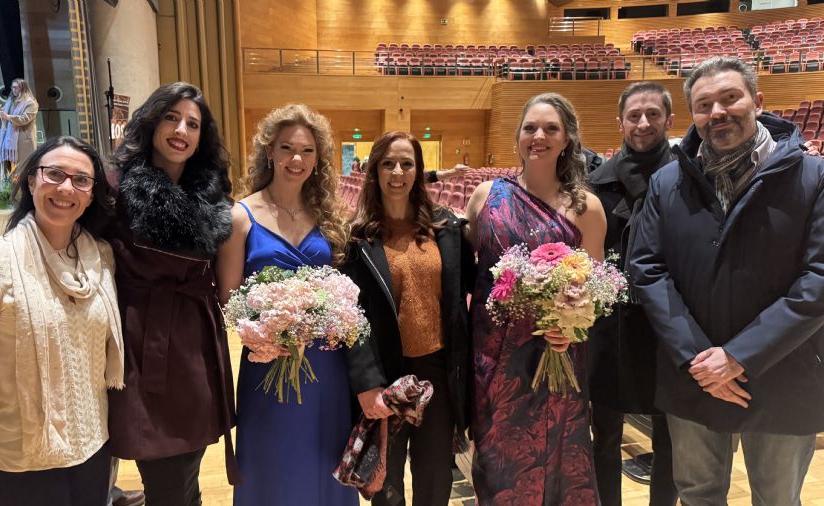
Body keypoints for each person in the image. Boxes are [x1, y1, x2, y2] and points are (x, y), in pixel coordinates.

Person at [629, 56, 824, 505]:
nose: (717, 112)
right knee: (698, 496)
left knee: (777, 499)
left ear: (758, 101)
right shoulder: (666, 182)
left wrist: (739, 356)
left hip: (783, 370)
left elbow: (819, 278)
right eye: (704, 105)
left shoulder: (814, 177)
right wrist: (699, 358)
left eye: (730, 98)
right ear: (693, 115)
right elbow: (648, 268)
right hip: (694, 373)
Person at [0, 136, 123, 506]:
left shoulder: (99, 259)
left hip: (93, 447)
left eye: (81, 180)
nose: (66, 188)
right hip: (21, 460)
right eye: (54, 174)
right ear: (31, 181)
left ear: (90, 195)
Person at [465, 92, 606, 505]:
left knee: (555, 462)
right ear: (518, 137)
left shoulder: (586, 207)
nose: (538, 136)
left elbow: (596, 291)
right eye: (530, 128)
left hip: (555, 355)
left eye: (550, 129)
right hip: (493, 357)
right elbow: (470, 271)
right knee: (497, 464)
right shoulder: (486, 196)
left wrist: (571, 327)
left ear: (567, 140)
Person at [104, 82, 238, 505]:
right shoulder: (115, 189)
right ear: (151, 121)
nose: (181, 130)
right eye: (171, 118)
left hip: (196, 341)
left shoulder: (214, 195)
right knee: (164, 467)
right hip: (143, 340)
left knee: (186, 469)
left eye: (192, 124)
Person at [218, 103, 357, 506]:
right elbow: (228, 298)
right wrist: (270, 332)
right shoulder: (240, 217)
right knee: (274, 464)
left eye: (307, 151)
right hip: (269, 363)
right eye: (287, 148)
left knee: (324, 460)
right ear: (269, 152)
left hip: (327, 368)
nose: (297, 159)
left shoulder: (329, 217)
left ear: (318, 159)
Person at [342, 131, 474, 506]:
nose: (397, 172)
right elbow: (351, 317)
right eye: (388, 164)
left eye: (406, 164)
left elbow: (468, 294)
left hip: (437, 371)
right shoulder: (356, 239)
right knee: (387, 484)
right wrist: (367, 382)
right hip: (387, 373)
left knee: (435, 476)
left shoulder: (447, 229)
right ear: (374, 171)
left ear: (419, 170)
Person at [587, 81, 678, 506]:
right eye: (634, 115)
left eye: (653, 114)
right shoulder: (594, 184)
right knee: (604, 436)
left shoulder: (688, 178)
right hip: (610, 329)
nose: (643, 123)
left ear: (669, 120)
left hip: (668, 326)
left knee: (670, 439)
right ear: (620, 122)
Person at [0, 78, 39, 175]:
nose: (14, 90)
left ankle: (22, 184)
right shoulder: (10, 101)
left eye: (17, 87)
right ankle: (9, 184)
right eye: (13, 87)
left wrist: (8, 117)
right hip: (8, 141)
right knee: (8, 169)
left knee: (22, 169)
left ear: (23, 88)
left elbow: (24, 119)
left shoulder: (31, 103)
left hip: (23, 140)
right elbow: (5, 116)